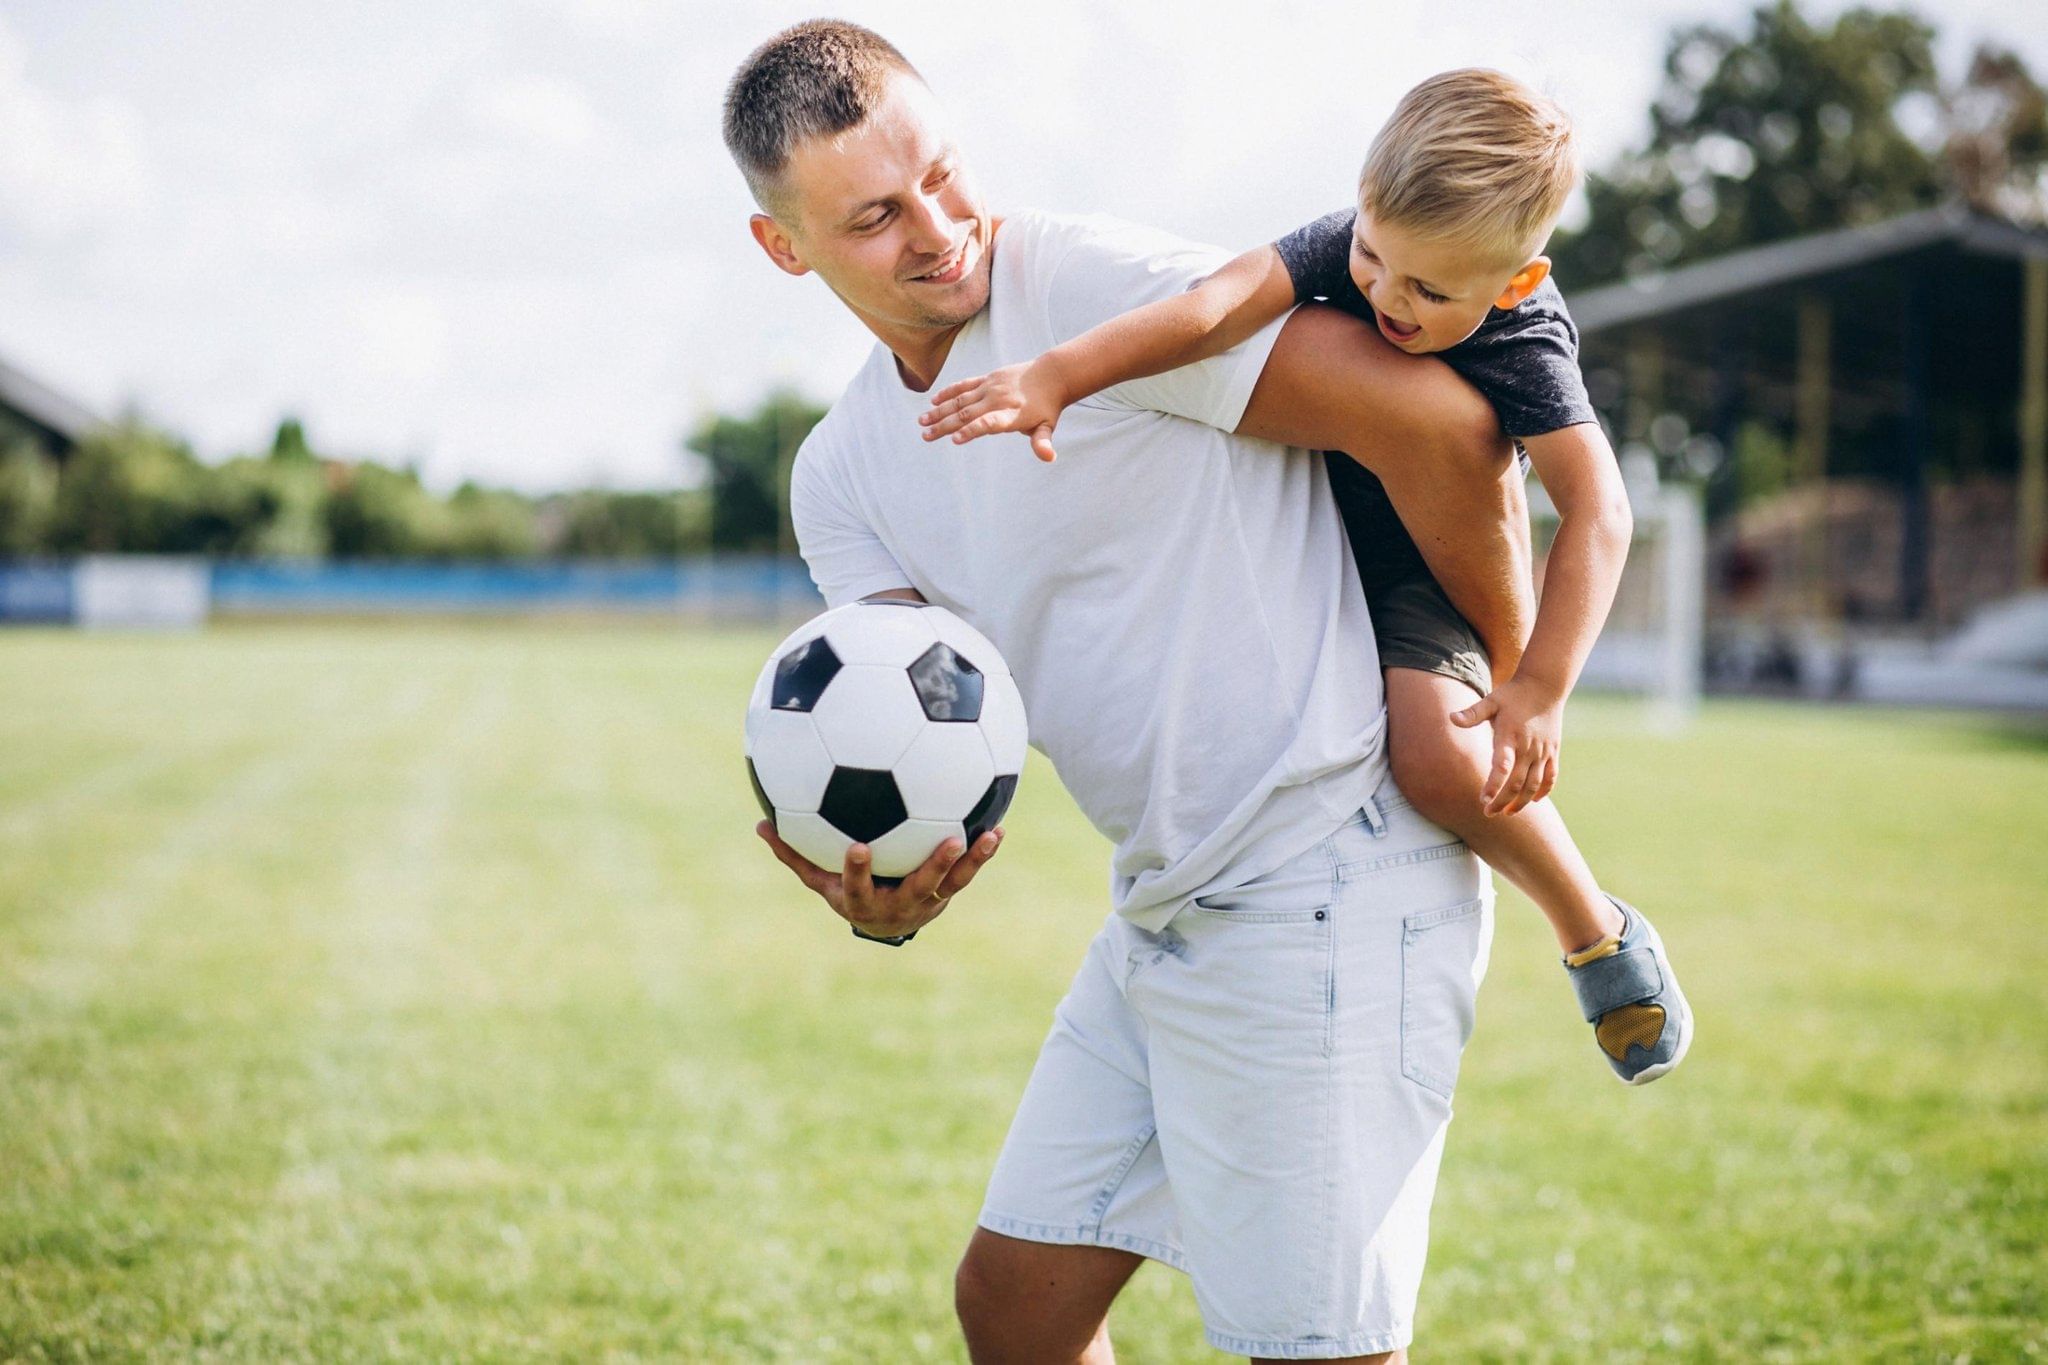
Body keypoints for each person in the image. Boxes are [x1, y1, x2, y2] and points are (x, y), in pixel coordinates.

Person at [727, 21, 1564, 1363]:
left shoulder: (1077, 288)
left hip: (1329, 872)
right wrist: (888, 882)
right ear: (788, 248)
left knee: (1317, 1352)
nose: (940, 229)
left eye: (944, 175)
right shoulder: (843, 475)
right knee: (1017, 1309)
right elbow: (912, 720)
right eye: (878, 216)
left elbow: (1440, 422)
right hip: (1172, 899)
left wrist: (1516, 677)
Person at [918, 68, 1692, 1085]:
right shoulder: (1348, 242)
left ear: (1509, 282)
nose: (1383, 296)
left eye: (1427, 290)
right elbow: (1209, 307)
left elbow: (1599, 509)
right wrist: (1056, 376)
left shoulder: (1524, 334)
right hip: (1297, 540)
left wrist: (1539, 690)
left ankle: (1592, 928)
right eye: (1372, 258)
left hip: (1414, 580)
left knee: (1437, 757)